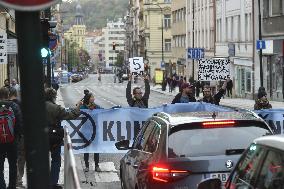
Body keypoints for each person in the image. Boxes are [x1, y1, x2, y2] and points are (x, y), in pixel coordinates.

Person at [45, 88, 82, 189]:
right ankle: (52, 183)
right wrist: (78, 107)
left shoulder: (37, 106)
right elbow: (72, 115)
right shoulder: (56, 108)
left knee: (42, 160)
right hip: (54, 137)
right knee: (56, 159)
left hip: (40, 137)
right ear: (53, 97)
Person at [0, 87, 22, 189]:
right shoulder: (14, 106)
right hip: (12, 141)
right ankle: (12, 186)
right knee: (13, 165)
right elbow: (19, 124)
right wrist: (17, 137)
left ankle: (2, 185)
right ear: (8, 95)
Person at [80, 91, 102, 172]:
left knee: (96, 149)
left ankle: (97, 165)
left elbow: (104, 111)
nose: (93, 98)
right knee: (87, 149)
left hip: (95, 131)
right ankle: (87, 166)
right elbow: (78, 111)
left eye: (93, 97)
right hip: (86, 131)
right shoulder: (83, 107)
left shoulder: (97, 107)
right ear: (88, 99)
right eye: (92, 97)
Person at [8, 88, 25, 187]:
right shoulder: (20, 104)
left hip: (6, 136)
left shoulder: (4, 105)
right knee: (21, 157)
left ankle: (11, 181)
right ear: (16, 94)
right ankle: (18, 180)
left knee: (11, 159)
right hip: (20, 135)